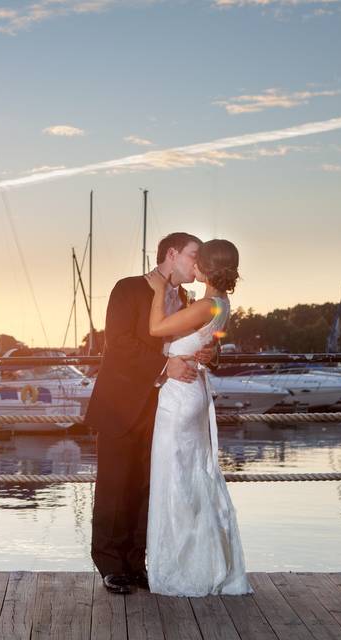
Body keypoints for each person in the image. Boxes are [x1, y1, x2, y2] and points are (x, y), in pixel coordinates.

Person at [86, 232, 214, 595]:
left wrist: (204, 353)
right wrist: (165, 366)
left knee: (148, 487)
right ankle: (111, 566)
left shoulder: (187, 298)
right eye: (193, 256)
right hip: (121, 404)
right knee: (115, 487)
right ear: (171, 254)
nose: (197, 265)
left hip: (163, 406)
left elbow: (189, 343)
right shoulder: (126, 289)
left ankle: (136, 564)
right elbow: (119, 343)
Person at [145, 239, 251, 596]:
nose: (193, 266)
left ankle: (183, 569)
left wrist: (158, 289)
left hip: (179, 397)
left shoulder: (206, 304)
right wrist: (212, 349)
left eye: (197, 261)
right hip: (193, 392)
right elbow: (212, 339)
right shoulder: (222, 304)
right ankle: (202, 561)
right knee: (191, 477)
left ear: (205, 267)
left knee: (174, 479)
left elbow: (157, 329)